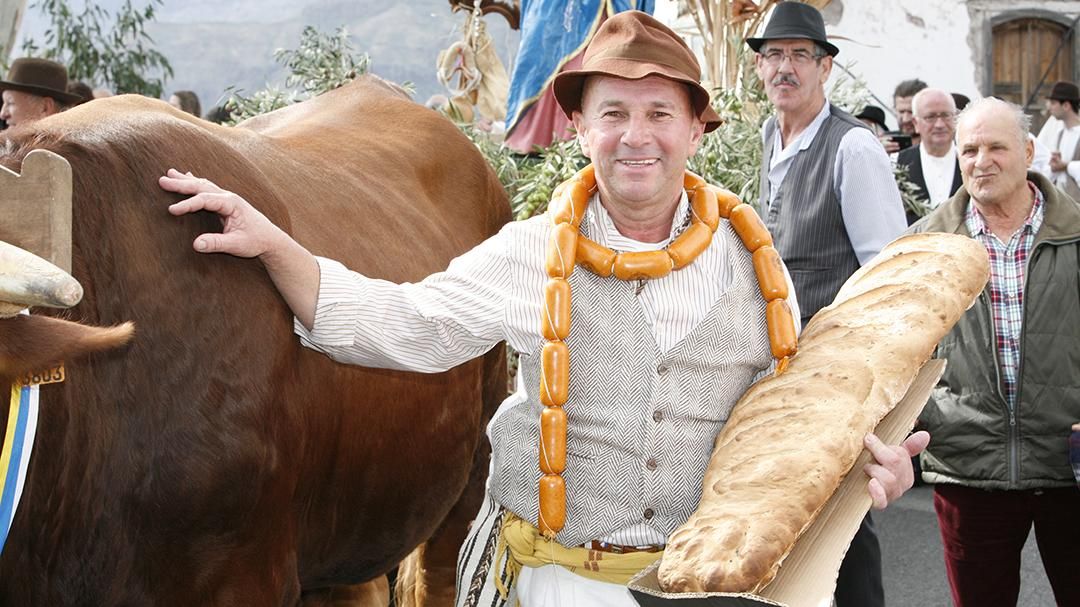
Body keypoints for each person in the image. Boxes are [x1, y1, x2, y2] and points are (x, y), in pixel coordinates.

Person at [160, 11, 926, 607]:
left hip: (711, 587)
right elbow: (404, 324)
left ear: (697, 128)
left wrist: (864, 465)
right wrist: (272, 242)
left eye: (660, 113)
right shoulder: (529, 251)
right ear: (580, 127)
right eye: (613, 112)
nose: (637, 137)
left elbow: (789, 422)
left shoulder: (757, 268)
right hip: (563, 578)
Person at [746, 4, 907, 607]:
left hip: (835, 369)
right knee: (792, 511)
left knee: (842, 519)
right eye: (773, 56)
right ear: (760, 68)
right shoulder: (771, 134)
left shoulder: (853, 148)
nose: (783, 68)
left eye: (798, 56)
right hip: (780, 363)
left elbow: (886, 275)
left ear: (825, 68)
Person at [909, 96, 1080, 607]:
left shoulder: (1076, 235)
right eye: (970, 150)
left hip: (1070, 467)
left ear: (1028, 150)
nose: (981, 161)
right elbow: (901, 354)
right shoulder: (925, 245)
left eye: (996, 147)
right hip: (968, 466)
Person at [503, 0, 653, 154]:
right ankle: (543, 142)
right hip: (557, 10)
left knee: (604, 64)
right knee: (546, 58)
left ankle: (585, 143)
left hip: (609, 11)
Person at [897, 88, 962, 223]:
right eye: (930, 117)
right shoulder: (896, 164)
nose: (939, 124)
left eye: (946, 115)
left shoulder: (969, 161)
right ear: (916, 123)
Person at [0, 57, 82, 128]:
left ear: (45, 107)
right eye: (4, 103)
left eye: (10, 103)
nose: (2, 114)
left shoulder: (49, 146)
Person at [1041, 80, 1080, 199]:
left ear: (1066, 105)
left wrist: (1066, 165)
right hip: (1063, 202)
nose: (1049, 107)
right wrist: (1054, 164)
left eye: (1053, 103)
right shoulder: (1060, 134)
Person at [882, 78, 928, 154]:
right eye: (901, 112)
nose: (905, 119)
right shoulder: (884, 142)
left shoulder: (940, 142)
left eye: (911, 112)